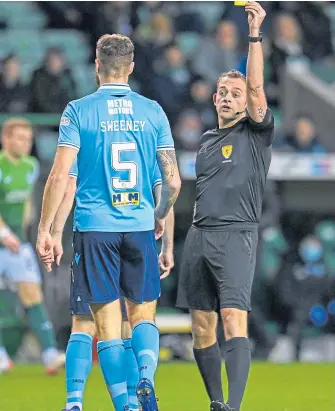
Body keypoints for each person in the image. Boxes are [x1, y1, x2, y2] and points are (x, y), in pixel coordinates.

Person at [36, 34, 181, 411]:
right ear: (131, 67)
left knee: (106, 328)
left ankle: (127, 406)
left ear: (97, 65)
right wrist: (161, 219)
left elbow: (59, 176)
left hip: (95, 228)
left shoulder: (78, 110)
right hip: (139, 225)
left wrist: (46, 231)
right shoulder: (152, 111)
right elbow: (173, 181)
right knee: (143, 314)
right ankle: (147, 373)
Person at [177, 3, 274, 411]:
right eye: (224, 93)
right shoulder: (204, 141)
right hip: (199, 235)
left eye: (237, 93)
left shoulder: (256, 132)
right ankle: (216, 402)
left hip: (236, 234)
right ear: (214, 98)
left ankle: (233, 406)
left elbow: (255, 90)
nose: (230, 98)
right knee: (201, 327)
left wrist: (253, 34)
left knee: (234, 318)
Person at [49, 160, 174, 411]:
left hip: (96, 232)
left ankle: (75, 402)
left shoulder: (87, 128)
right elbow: (169, 187)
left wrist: (53, 232)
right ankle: (137, 394)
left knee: (86, 322)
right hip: (137, 230)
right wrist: (168, 245)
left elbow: (68, 184)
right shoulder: (145, 132)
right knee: (132, 320)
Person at [0, 118, 65, 374]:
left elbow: (26, 201)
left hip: (18, 244)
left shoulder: (31, 166)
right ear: (6, 139)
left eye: (28, 139)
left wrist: (28, 230)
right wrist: (4, 232)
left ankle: (49, 354)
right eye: (19, 138)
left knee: (32, 295)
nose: (25, 144)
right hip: (4, 238)